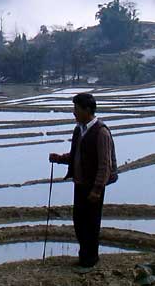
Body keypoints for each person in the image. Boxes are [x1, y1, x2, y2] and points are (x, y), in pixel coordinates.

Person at [49, 93, 118, 274]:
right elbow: (77, 155)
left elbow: (105, 164)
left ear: (87, 110)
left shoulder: (101, 132)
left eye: (76, 109)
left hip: (93, 186)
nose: (74, 112)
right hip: (79, 183)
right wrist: (60, 159)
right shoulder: (79, 129)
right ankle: (84, 256)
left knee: (91, 223)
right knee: (79, 221)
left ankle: (90, 260)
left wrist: (97, 189)